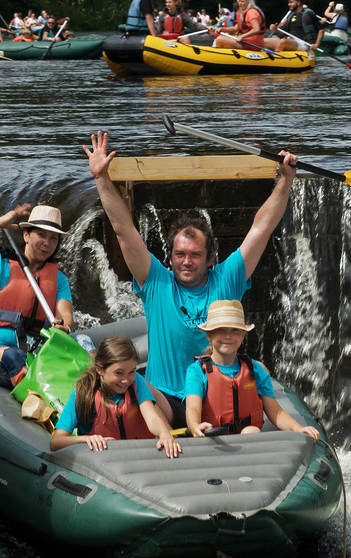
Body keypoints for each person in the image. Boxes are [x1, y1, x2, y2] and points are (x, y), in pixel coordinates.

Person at [87, 130, 300, 430]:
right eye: (179, 254)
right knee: (137, 389)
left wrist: (285, 180)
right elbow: (123, 230)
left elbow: (261, 228)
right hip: (167, 399)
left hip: (214, 397)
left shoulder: (227, 278)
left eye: (195, 255)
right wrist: (101, 178)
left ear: (210, 258)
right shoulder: (156, 281)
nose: (186, 261)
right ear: (170, 258)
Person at [0, 202, 74, 388]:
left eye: (54, 238)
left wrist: (63, 328)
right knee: (13, 356)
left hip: (35, 357)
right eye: (41, 235)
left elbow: (65, 318)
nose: (47, 243)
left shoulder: (58, 279)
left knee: (84, 343)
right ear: (26, 235)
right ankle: (39, 402)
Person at [182, 300, 320, 440]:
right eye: (220, 330)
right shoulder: (196, 371)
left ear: (243, 335)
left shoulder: (255, 369)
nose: (228, 336)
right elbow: (192, 407)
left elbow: (275, 412)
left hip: (250, 440)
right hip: (213, 438)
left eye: (234, 330)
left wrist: (298, 428)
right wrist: (194, 426)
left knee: (250, 431)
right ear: (209, 335)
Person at [52, 336, 181, 459]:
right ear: (100, 370)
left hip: (140, 456)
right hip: (106, 463)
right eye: (118, 373)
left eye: (131, 371)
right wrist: (84, 440)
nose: (126, 380)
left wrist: (164, 433)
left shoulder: (137, 382)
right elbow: (56, 442)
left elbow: (152, 416)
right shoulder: (83, 394)